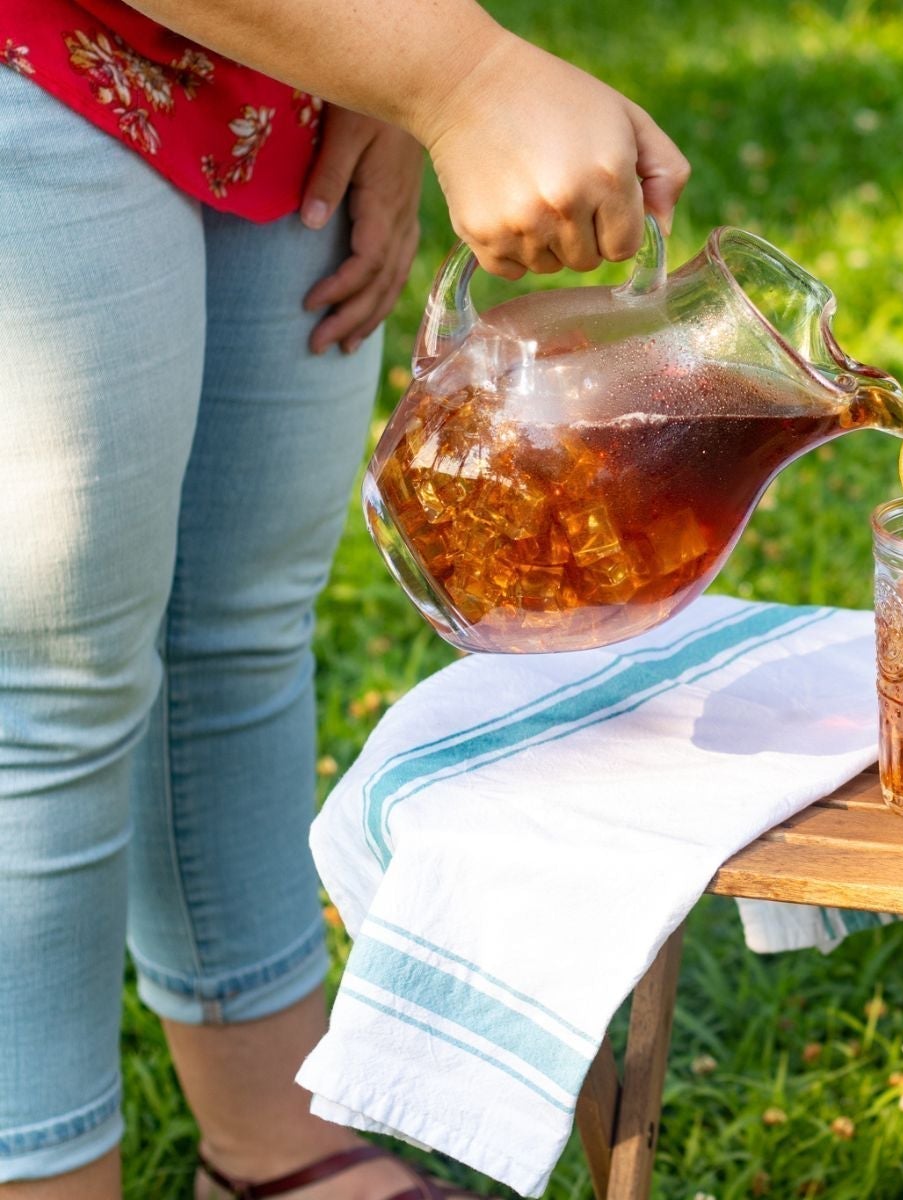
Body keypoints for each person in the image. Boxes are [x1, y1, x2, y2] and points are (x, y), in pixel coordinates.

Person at [0, 0, 689, 1196]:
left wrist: (381, 62)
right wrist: (458, 75)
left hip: (295, 50)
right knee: (52, 674)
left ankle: (271, 1144)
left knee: (242, 616)